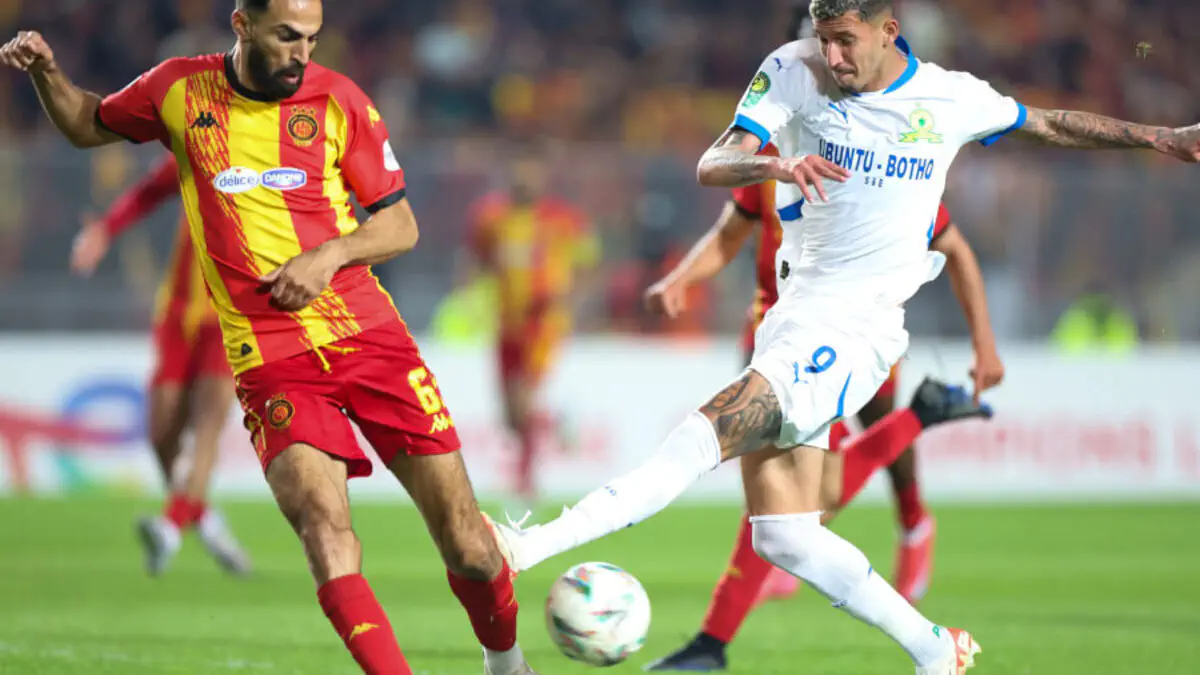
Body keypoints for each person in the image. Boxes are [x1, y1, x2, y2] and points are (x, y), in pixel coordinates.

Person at [480, 1, 1200, 674]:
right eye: (823, 37)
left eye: (846, 39)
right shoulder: (793, 68)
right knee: (783, 533)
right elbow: (713, 163)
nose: (832, 53)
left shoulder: (949, 98)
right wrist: (777, 162)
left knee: (698, 438)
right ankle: (934, 647)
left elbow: (1050, 123)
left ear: (890, 29)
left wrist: (1160, 138)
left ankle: (524, 544)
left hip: (856, 331)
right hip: (793, 315)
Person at [0, 2, 539, 673]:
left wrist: (331, 255)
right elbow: (86, 123)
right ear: (242, 25)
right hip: (270, 358)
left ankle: (508, 664)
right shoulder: (178, 90)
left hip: (369, 340)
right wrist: (48, 72)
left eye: (312, 39)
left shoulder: (340, 100)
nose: (301, 53)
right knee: (323, 527)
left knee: (466, 539)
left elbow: (400, 227)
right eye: (287, 36)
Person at [642, 187, 999, 671]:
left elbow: (953, 246)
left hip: (854, 334)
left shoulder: (878, 156)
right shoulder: (767, 154)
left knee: (807, 499)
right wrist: (682, 279)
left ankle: (913, 518)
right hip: (777, 336)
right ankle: (713, 640)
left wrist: (984, 344)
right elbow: (730, 233)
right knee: (792, 499)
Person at [71, 154, 251, 577]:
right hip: (178, 311)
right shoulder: (200, 149)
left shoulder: (280, 162)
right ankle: (200, 515)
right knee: (161, 431)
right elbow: (148, 192)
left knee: (209, 421)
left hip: (233, 314)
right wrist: (105, 230)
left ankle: (170, 526)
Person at [465, 147, 597, 504]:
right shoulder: (492, 216)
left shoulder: (562, 218)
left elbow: (587, 262)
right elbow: (479, 258)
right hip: (506, 320)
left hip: (543, 321)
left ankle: (524, 484)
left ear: (542, 177)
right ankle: (556, 421)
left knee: (523, 399)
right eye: (520, 173)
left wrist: (569, 299)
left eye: (532, 173)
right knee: (509, 416)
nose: (525, 180)